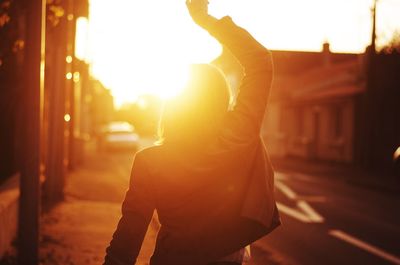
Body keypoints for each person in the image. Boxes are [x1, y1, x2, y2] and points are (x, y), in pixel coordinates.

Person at [103, 0, 280, 264]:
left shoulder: (150, 162)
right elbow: (259, 62)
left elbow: (130, 234)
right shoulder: (238, 134)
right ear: (222, 99)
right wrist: (205, 19)